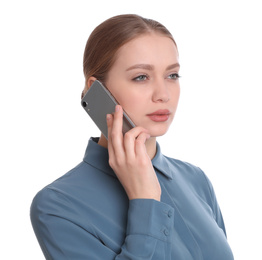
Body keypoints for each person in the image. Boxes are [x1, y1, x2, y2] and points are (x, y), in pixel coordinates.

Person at [30, 14, 234, 259]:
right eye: (141, 77)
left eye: (172, 75)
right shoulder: (57, 206)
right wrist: (145, 199)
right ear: (97, 90)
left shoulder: (196, 180)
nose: (163, 95)